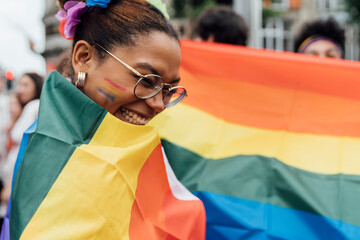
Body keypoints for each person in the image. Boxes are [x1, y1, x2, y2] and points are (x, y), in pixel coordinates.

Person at [2, 0, 205, 239]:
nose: (159, 105)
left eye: (169, 91)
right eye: (147, 81)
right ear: (84, 57)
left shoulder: (136, 148)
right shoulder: (50, 151)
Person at [0, 73, 43, 204]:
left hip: (16, 182)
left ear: (36, 87)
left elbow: (28, 147)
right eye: (19, 84)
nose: (21, 90)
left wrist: (9, 185)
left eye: (26, 85)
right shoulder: (25, 108)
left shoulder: (35, 106)